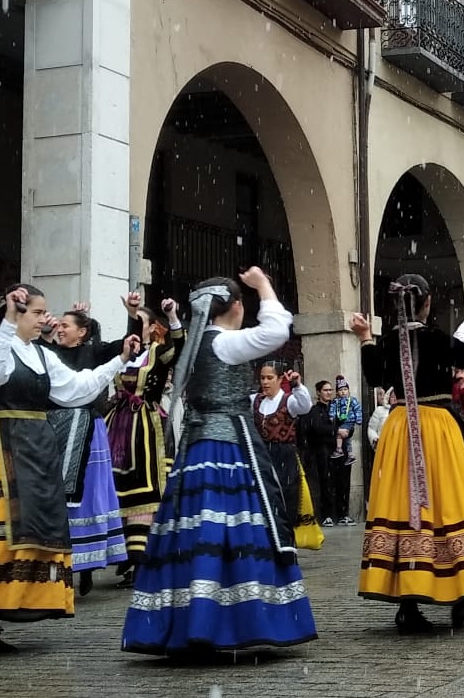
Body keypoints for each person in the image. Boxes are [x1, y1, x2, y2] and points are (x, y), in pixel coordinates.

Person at [0, 285, 134, 654]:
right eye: (37, 312)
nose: (45, 319)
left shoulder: (40, 354)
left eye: (43, 312)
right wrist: (5, 323)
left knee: (30, 530)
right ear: (18, 314)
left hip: (35, 448)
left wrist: (119, 361)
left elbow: (75, 390)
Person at [122, 269, 317, 657]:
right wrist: (263, 284)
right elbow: (277, 330)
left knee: (194, 531)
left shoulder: (195, 346)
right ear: (236, 306)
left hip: (197, 449)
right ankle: (229, 622)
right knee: (235, 528)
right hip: (228, 445)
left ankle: (192, 621)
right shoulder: (224, 342)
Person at [351, 275, 464, 633]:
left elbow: (375, 375)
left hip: (400, 430)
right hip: (438, 428)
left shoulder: (391, 339)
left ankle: (409, 603)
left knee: (405, 507)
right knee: (453, 503)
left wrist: (366, 338)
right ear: (426, 303)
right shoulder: (438, 339)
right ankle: (462, 598)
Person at [49, 303, 135, 592]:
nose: (59, 328)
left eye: (66, 325)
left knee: (89, 495)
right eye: (58, 324)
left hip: (88, 428)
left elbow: (126, 344)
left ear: (82, 332)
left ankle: (87, 565)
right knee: (58, 495)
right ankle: (63, 562)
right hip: (56, 428)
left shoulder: (94, 352)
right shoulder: (50, 354)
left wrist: (133, 316)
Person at [106, 302, 185, 576]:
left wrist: (172, 315)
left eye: (139, 320)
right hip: (117, 426)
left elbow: (179, 349)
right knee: (117, 485)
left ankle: (143, 552)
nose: (135, 325)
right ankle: (124, 551)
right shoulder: (121, 354)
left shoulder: (158, 352)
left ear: (152, 328)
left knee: (147, 485)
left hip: (146, 427)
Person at [253, 363, 314, 534]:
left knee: (286, 499)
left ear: (280, 379)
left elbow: (305, 406)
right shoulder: (256, 401)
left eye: (270, 378)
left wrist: (297, 385)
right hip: (263, 456)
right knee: (263, 499)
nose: (265, 382)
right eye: (262, 378)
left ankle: (286, 540)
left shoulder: (289, 401)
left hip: (284, 456)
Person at [297, 379, 338, 532]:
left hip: (332, 451)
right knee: (322, 482)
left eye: (330, 390)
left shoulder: (332, 409)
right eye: (326, 390)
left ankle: (334, 513)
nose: (329, 393)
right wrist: (334, 430)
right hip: (319, 452)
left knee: (332, 482)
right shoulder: (315, 410)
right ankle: (323, 514)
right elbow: (317, 428)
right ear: (319, 392)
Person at [326, 376, 362, 526]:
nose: (342, 392)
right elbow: (332, 415)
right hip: (335, 436)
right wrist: (333, 421)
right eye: (340, 390)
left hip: (348, 425)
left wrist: (357, 422)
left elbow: (357, 410)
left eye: (345, 389)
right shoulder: (334, 403)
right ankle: (334, 513)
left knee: (345, 481)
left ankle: (344, 513)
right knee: (333, 481)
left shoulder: (352, 401)